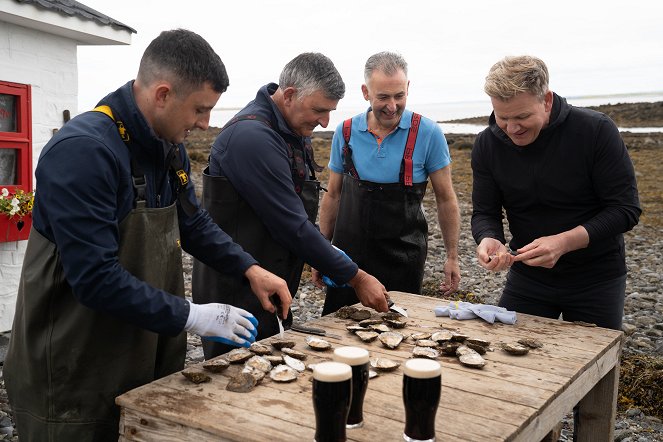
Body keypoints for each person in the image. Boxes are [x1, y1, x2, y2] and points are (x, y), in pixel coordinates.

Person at [4, 29, 291, 441]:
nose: (205, 123)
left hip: (142, 354)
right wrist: (196, 316)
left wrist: (250, 269)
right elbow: (95, 279)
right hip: (73, 372)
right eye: (200, 109)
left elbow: (193, 223)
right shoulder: (84, 152)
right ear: (162, 94)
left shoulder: (165, 144)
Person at [192, 52, 389, 359]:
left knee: (276, 371)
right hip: (236, 290)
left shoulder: (291, 129)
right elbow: (291, 226)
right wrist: (356, 276)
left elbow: (296, 216)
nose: (325, 122)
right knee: (234, 382)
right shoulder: (252, 138)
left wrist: (325, 258)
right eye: (319, 110)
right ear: (290, 95)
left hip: (271, 281)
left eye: (330, 112)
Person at [471, 55, 641, 330]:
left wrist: (563, 242)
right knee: (510, 359)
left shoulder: (595, 130)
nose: (512, 128)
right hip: (529, 276)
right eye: (502, 117)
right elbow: (485, 212)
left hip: (596, 277)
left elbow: (625, 210)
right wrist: (489, 238)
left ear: (546, 100)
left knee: (595, 366)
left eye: (523, 116)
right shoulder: (488, 145)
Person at [317, 51, 461, 315]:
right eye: (383, 97)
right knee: (338, 332)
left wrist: (452, 257)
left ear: (408, 88)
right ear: (365, 92)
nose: (392, 106)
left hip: (403, 259)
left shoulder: (428, 133)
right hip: (348, 260)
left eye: (399, 96)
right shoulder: (345, 132)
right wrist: (321, 251)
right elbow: (333, 195)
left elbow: (446, 198)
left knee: (400, 335)